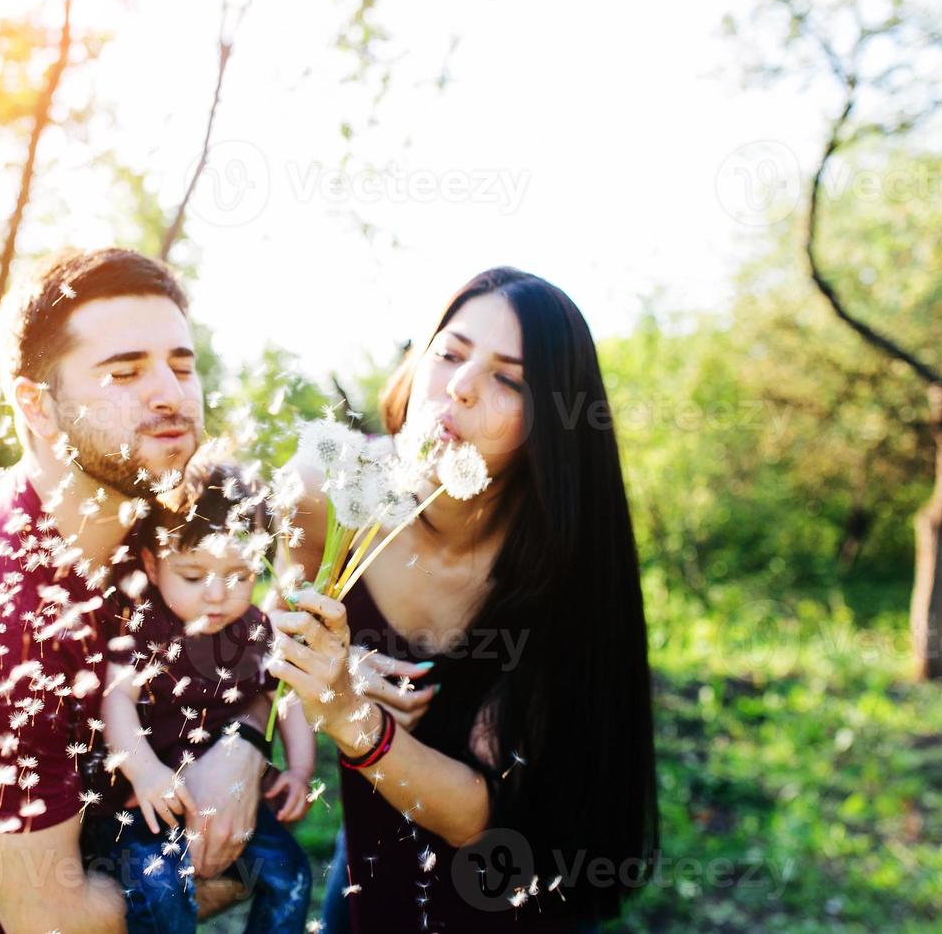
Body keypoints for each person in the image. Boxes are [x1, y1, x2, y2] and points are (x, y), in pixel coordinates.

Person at [0, 249, 268, 933]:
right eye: (125, 371)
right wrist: (236, 873)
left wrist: (241, 745)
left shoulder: (155, 524)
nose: (171, 394)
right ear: (39, 406)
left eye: (181, 364)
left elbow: (251, 636)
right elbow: (60, 924)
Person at [269, 268, 660, 932]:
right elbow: (282, 635)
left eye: (508, 379)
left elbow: (478, 819)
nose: (459, 386)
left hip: (513, 892)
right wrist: (342, 669)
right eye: (449, 353)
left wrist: (348, 712)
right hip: (372, 869)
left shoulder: (560, 559)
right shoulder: (324, 485)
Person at [93, 453, 314, 933]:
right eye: (193, 576)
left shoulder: (255, 630)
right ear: (152, 565)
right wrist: (146, 771)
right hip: (152, 803)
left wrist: (300, 770)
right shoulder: (146, 625)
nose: (216, 595)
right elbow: (116, 698)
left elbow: (286, 698)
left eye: (239, 576)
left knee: (290, 874)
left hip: (228, 800)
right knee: (159, 889)